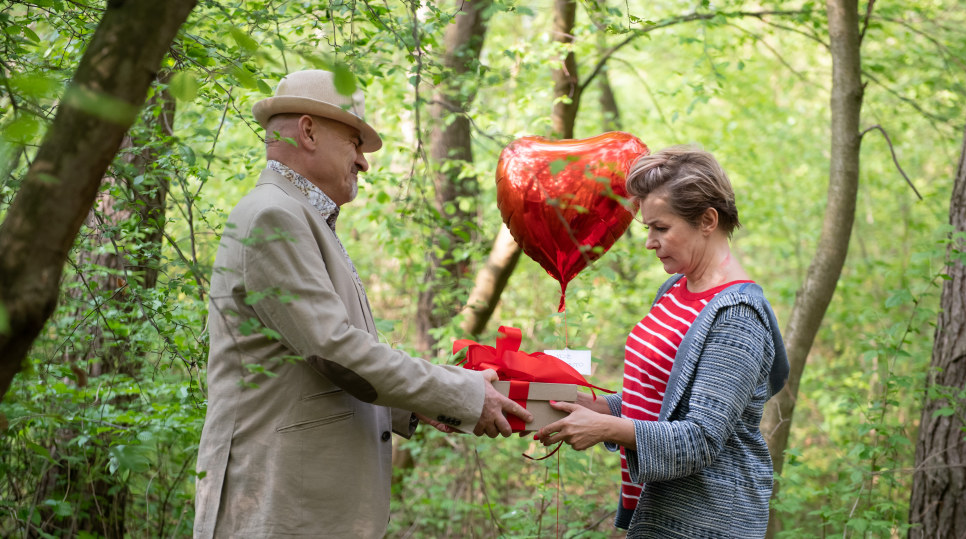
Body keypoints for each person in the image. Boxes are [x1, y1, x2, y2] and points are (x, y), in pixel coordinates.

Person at [193, 69, 532, 538]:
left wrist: (417, 407)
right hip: (280, 500)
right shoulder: (274, 216)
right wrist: (463, 394)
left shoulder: (301, 216)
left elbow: (315, 365)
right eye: (355, 143)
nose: (364, 163)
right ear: (308, 131)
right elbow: (334, 350)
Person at [537, 145, 788, 538]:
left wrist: (605, 428)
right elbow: (664, 400)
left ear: (707, 220)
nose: (649, 242)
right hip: (657, 513)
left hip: (708, 521)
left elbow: (701, 438)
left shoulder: (738, 316)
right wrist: (600, 407)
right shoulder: (674, 289)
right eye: (647, 228)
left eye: (661, 228)